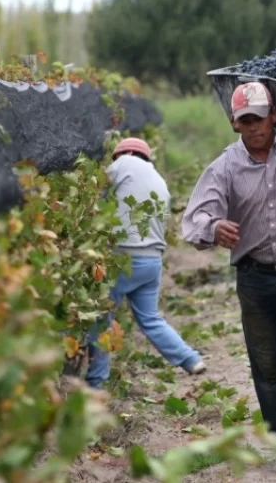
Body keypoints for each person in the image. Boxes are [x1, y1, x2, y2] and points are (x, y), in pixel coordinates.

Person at [181, 77, 276, 468]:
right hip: (255, 276)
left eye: (260, 119)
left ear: (275, 116)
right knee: (266, 362)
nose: (254, 128)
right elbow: (195, 217)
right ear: (235, 123)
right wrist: (214, 228)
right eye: (245, 121)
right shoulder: (225, 166)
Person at [85, 138, 206, 389]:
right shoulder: (159, 180)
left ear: (126, 153)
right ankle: (190, 359)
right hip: (152, 262)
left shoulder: (124, 163)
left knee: (101, 320)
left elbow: (95, 194)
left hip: (124, 259)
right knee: (151, 318)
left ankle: (96, 382)